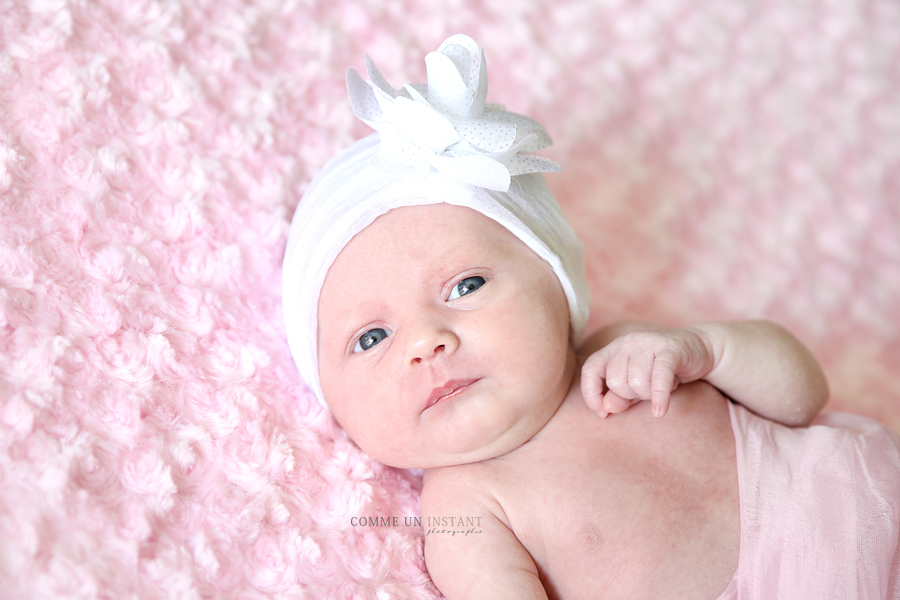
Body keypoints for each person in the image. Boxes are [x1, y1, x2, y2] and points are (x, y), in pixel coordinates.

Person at [282, 34, 900, 600]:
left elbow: (803, 397)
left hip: (869, 503)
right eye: (370, 337)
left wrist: (708, 350)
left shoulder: (629, 353)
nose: (426, 341)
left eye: (465, 284)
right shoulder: (466, 507)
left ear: (556, 284)